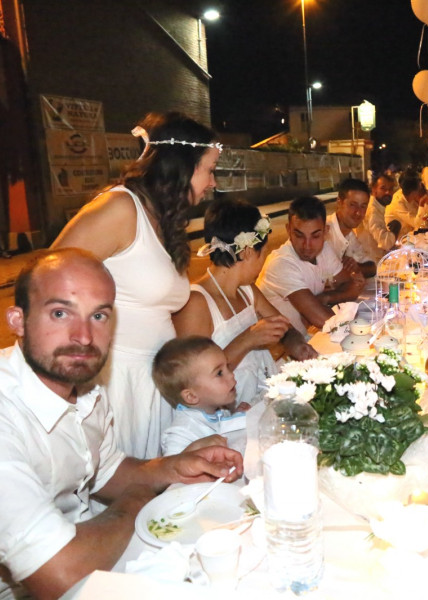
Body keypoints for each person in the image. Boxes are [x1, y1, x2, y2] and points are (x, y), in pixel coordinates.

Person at [0, 249, 242, 599]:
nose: (83, 336)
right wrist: (139, 498)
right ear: (17, 320)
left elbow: (107, 468)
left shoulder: (85, 388)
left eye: (98, 315)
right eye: (59, 313)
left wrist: (173, 467)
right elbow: (58, 573)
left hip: (91, 556)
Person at [50, 112, 219, 459]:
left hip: (153, 383)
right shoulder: (121, 208)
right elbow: (47, 278)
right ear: (182, 166)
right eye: (210, 169)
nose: (213, 182)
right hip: (117, 383)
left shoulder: (165, 218)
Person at [173, 198, 315, 408]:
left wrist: (300, 347)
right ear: (248, 252)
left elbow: (284, 328)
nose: (264, 259)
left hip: (260, 400)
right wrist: (248, 339)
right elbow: (194, 380)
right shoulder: (197, 302)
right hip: (226, 415)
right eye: (263, 252)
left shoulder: (247, 289)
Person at [257, 196, 365, 335]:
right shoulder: (281, 263)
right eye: (299, 235)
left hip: (307, 338)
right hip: (282, 351)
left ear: (325, 232)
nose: (307, 246)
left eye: (315, 236)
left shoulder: (324, 249)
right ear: (288, 230)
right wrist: (319, 307)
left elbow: (350, 286)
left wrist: (325, 298)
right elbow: (323, 319)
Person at [154, 336, 249, 456]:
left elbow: (223, 431)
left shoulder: (218, 408)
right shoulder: (182, 432)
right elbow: (169, 469)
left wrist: (236, 418)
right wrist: (196, 448)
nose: (231, 375)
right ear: (191, 396)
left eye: (227, 367)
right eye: (219, 373)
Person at [326, 178, 377, 277]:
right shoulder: (323, 232)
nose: (358, 212)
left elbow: (371, 267)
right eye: (353, 205)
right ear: (339, 202)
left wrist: (357, 267)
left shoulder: (350, 234)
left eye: (363, 206)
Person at [356, 173, 398, 260]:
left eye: (390, 189)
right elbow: (385, 243)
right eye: (383, 188)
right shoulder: (373, 211)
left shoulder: (378, 206)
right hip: (371, 262)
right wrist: (394, 231)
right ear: (374, 190)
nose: (388, 192)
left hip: (376, 256)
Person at [384, 171, 428, 238]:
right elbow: (418, 224)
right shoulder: (398, 202)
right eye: (419, 185)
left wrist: (426, 203)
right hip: (396, 240)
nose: (421, 186)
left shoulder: (411, 197)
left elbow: (425, 219)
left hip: (409, 236)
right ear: (414, 190)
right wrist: (422, 204)